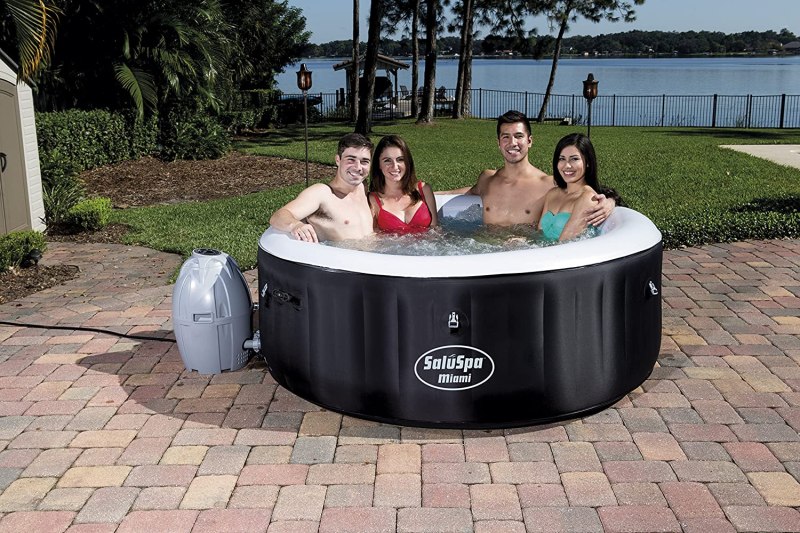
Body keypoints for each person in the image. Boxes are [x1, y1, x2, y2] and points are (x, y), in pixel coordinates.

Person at [442, 110, 614, 227]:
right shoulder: (487, 179)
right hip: (482, 252)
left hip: (523, 259)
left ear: (529, 141)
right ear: (498, 143)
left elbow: (585, 191)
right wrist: (426, 192)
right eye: (506, 137)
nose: (512, 143)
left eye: (519, 136)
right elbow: (467, 192)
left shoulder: (548, 184)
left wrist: (610, 202)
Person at [269, 133, 374, 243]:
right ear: (338, 160)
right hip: (339, 258)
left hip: (371, 255)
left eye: (364, 161)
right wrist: (296, 225)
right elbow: (279, 216)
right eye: (351, 160)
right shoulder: (322, 194)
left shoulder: (362, 187)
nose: (358, 167)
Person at [536, 133, 603, 241]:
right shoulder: (552, 194)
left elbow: (564, 243)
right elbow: (539, 234)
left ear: (588, 162)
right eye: (562, 159)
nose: (567, 165)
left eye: (574, 159)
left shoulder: (588, 198)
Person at [368, 135, 438, 234]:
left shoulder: (423, 189)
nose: (395, 166)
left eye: (400, 159)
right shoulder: (373, 200)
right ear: (379, 164)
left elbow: (436, 230)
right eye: (387, 160)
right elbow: (372, 238)